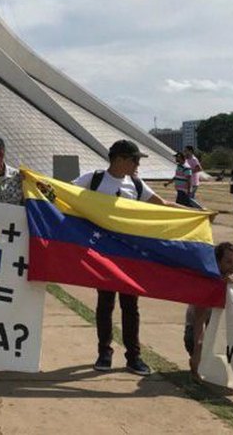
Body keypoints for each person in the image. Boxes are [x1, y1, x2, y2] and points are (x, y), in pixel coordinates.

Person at [72, 140, 179, 377]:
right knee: (105, 304)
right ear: (119, 159)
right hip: (103, 255)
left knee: (131, 306)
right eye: (135, 159)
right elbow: (63, 193)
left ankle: (134, 356)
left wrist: (195, 214)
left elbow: (161, 205)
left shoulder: (136, 185)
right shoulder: (94, 179)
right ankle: (104, 352)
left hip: (130, 256)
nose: (138, 164)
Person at [186, 242, 233, 382]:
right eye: (228, 262)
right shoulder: (206, 279)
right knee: (199, 351)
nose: (232, 267)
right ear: (217, 262)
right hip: (199, 323)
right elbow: (199, 317)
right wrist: (198, 348)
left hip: (224, 325)